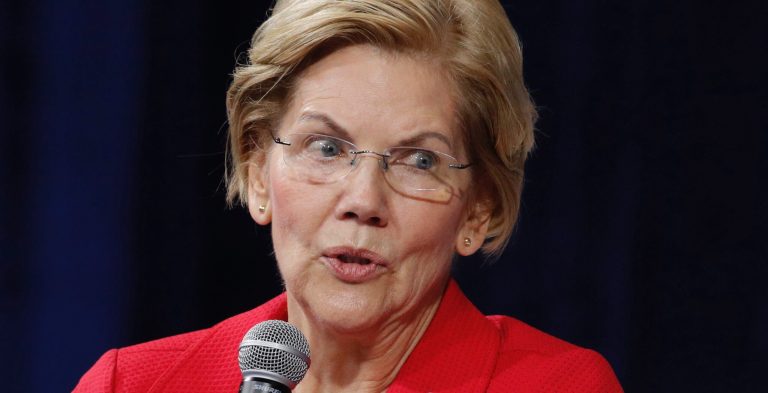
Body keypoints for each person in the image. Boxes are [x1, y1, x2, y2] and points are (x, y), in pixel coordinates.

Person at [75, 0, 623, 392]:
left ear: (477, 209)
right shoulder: (133, 384)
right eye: (327, 148)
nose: (363, 200)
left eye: (420, 160)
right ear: (259, 172)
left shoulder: (557, 385)